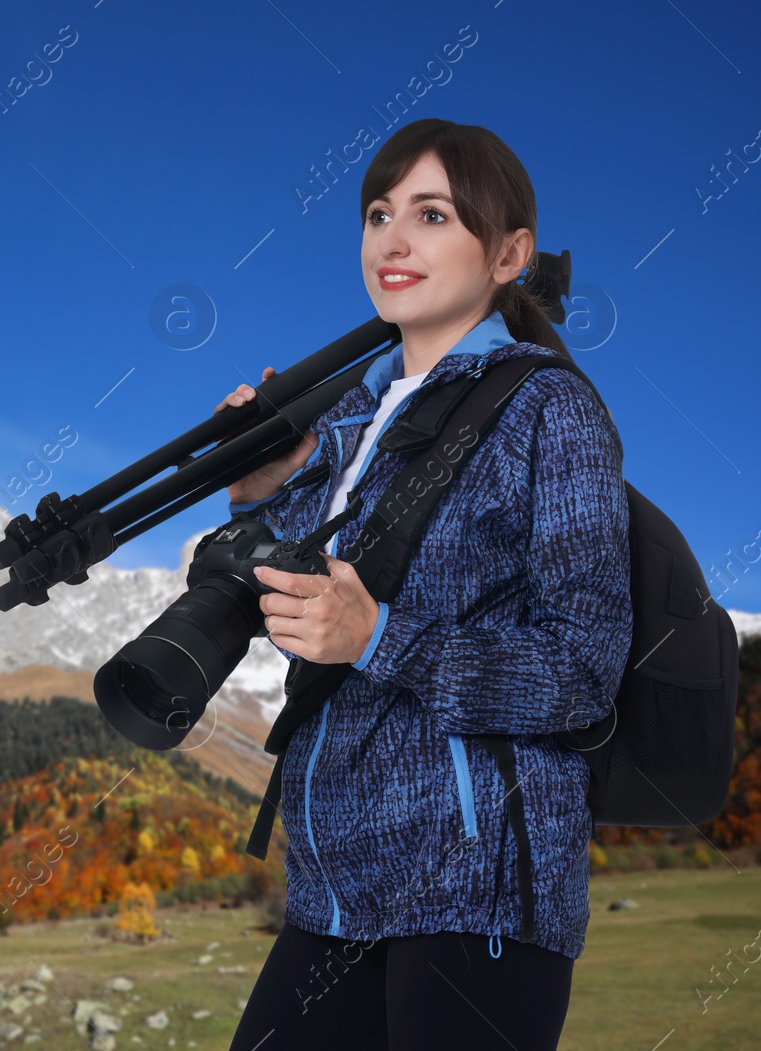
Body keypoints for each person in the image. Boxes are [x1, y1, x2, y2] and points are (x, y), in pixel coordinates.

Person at [216, 118, 632, 1050]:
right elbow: (289, 607)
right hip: (332, 887)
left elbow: (582, 669)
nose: (392, 242)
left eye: (433, 214)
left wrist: (381, 637)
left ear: (510, 254)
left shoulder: (550, 408)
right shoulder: (347, 421)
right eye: (377, 214)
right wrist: (261, 496)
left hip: (475, 888)